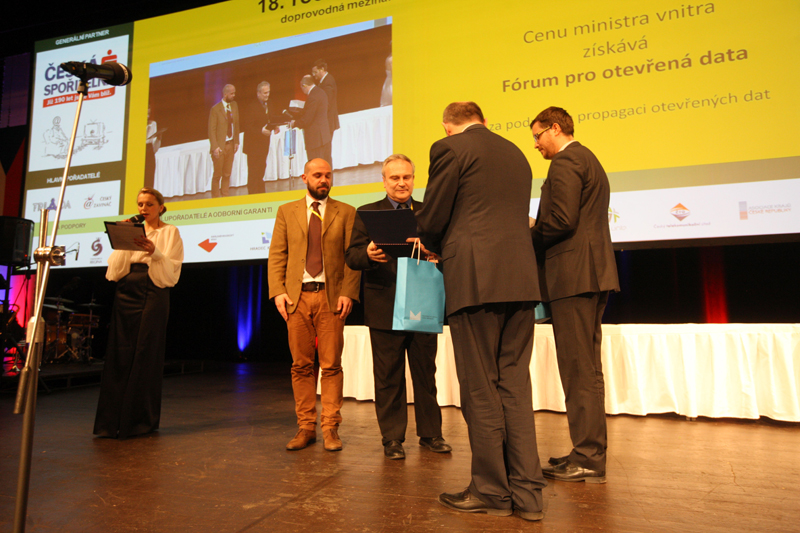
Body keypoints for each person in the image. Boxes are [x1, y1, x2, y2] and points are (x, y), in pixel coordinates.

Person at [416, 102, 545, 521]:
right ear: (484, 121)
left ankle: (491, 491)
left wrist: (433, 244)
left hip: (474, 279)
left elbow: (432, 217)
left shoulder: (449, 148)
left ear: (447, 127)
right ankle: (528, 495)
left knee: (480, 388)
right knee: (515, 387)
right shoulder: (516, 152)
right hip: (521, 280)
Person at [529, 106, 620, 483]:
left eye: (538, 136)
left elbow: (562, 221)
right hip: (590, 274)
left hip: (574, 277)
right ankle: (587, 451)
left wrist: (529, 234)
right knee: (586, 369)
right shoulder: (588, 158)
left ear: (555, 128)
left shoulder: (566, 162)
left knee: (579, 370)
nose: (536, 145)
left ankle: (588, 457)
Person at [345, 154, 451, 460]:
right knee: (388, 376)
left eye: (407, 177)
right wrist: (368, 255)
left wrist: (436, 254)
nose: (401, 183)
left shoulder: (428, 212)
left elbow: (447, 249)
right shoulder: (368, 213)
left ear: (414, 179)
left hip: (423, 303)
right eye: (395, 178)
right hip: (384, 307)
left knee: (425, 373)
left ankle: (431, 434)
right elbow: (351, 256)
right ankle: (392, 439)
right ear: (384, 181)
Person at [268, 158, 360, 452]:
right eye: (318, 175)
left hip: (331, 297)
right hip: (296, 298)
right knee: (301, 365)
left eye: (328, 175)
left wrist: (348, 292)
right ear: (304, 177)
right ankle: (306, 427)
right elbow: (277, 254)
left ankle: (330, 428)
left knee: (331, 365)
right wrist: (277, 291)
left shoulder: (346, 212)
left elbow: (353, 258)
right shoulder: (287, 211)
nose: (324, 180)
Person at [94, 188, 184, 439]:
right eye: (140, 204)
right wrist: (121, 237)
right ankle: (110, 423)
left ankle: (138, 422)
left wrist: (154, 251)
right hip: (126, 290)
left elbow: (172, 271)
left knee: (145, 351)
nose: (144, 209)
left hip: (154, 289)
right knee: (119, 352)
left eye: (149, 204)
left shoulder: (170, 231)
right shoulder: (132, 230)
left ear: (161, 208)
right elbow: (114, 271)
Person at [242, 81, 278, 195]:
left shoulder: (269, 103)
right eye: (265, 93)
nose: (267, 95)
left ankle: (261, 194)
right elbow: (247, 126)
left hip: (264, 143)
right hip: (253, 145)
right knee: (254, 171)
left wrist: (275, 126)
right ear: (258, 93)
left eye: (268, 92)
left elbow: (271, 118)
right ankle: (253, 195)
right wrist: (260, 131)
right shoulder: (251, 107)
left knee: (262, 168)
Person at [208, 84, 240, 197]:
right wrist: (214, 147)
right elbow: (211, 130)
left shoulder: (234, 105)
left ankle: (225, 196)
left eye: (234, 93)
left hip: (231, 144)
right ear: (225, 94)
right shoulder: (215, 109)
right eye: (232, 93)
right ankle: (216, 199)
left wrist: (237, 141)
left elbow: (236, 124)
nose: (234, 95)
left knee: (227, 174)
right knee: (218, 175)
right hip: (220, 147)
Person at [293, 75, 332, 168]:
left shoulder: (312, 97)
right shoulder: (321, 92)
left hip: (315, 140)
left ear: (304, 85)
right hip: (325, 136)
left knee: (316, 166)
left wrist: (295, 123)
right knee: (326, 165)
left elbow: (307, 120)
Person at [312, 60, 340, 138]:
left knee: (326, 145)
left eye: (315, 72)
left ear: (322, 69)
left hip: (328, 121)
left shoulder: (328, 82)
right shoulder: (323, 82)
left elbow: (327, 103)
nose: (314, 75)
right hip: (325, 122)